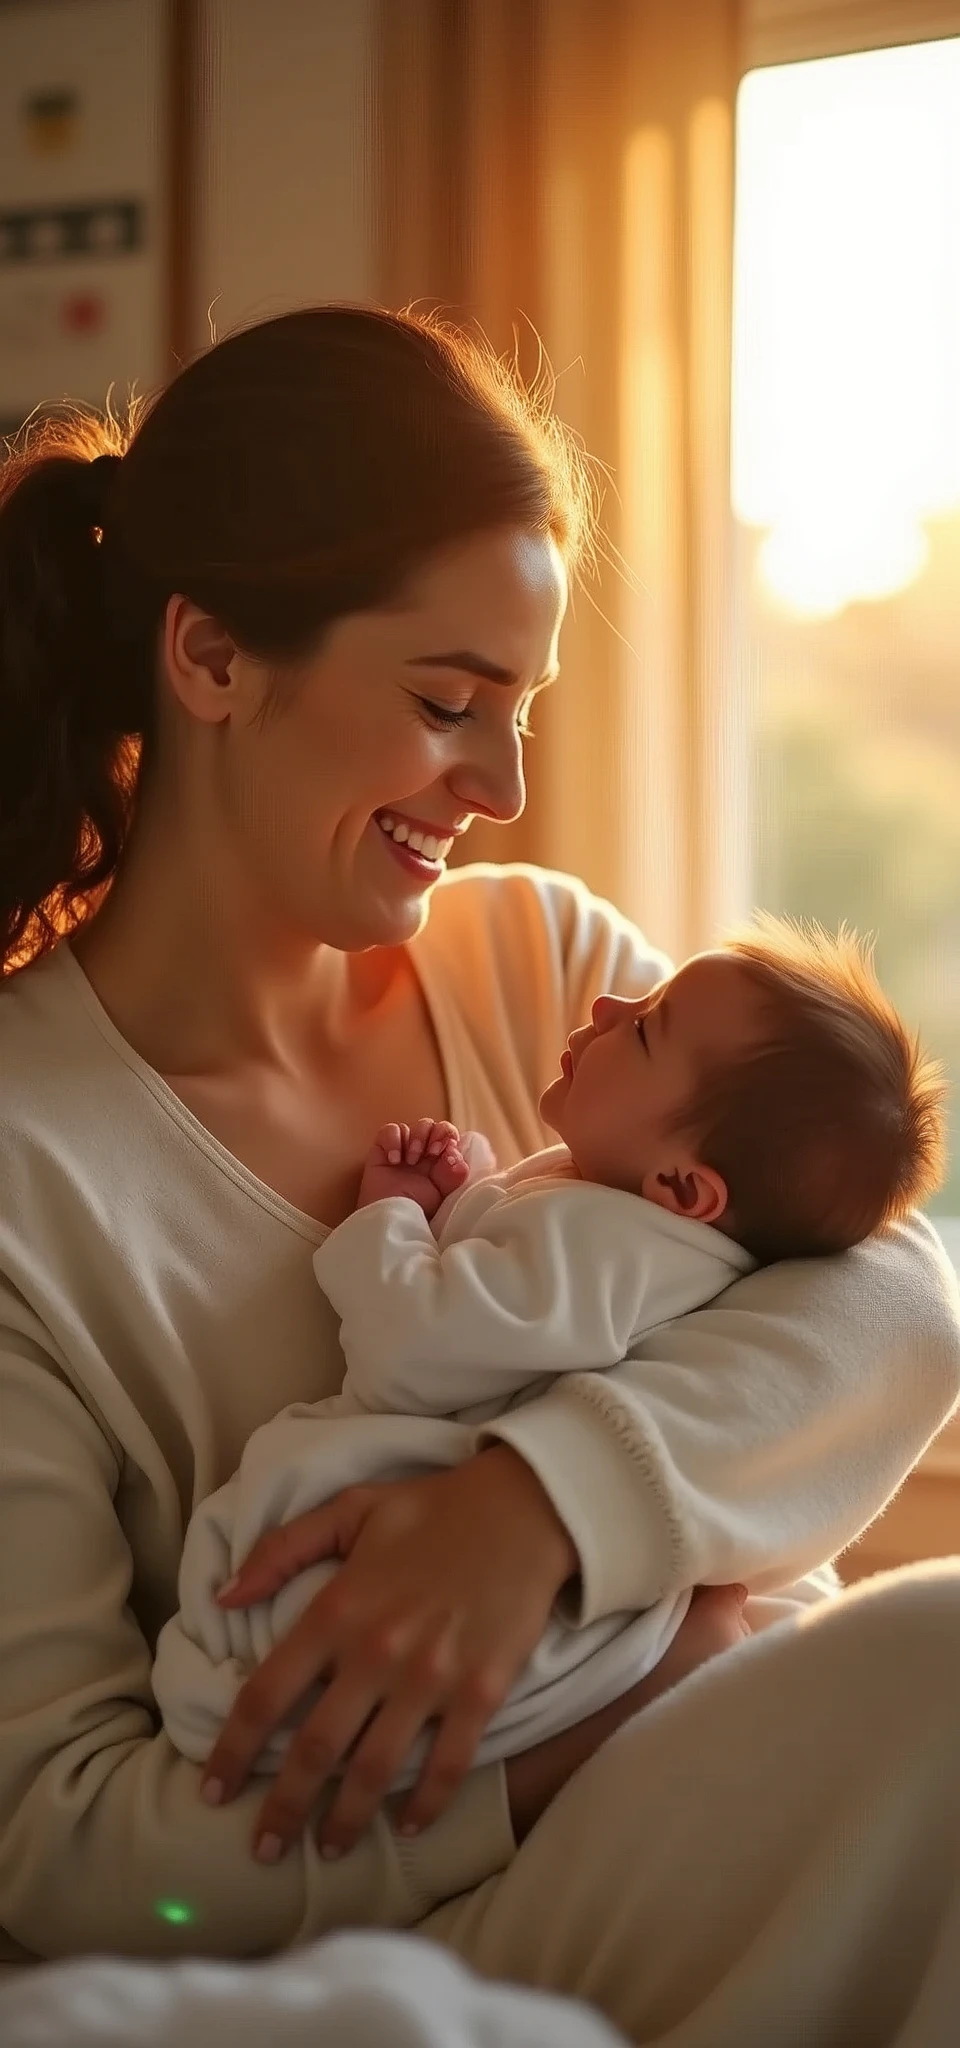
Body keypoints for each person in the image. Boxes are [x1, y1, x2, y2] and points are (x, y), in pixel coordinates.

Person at [1, 304, 959, 2048]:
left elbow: (895, 1292)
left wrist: (548, 1504)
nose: (506, 787)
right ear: (210, 660)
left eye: (524, 710)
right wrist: (543, 1751)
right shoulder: (24, 1168)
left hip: (713, 1749)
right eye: (450, 702)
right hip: (422, 1901)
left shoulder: (537, 969)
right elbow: (63, 1849)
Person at [152, 920, 947, 1789]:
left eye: (643, 1026)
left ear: (683, 1188)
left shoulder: (610, 1240)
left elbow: (416, 1351)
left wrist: (388, 1226)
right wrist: (466, 1197)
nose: (608, 1002)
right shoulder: (636, 1207)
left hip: (476, 1532)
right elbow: (519, 1303)